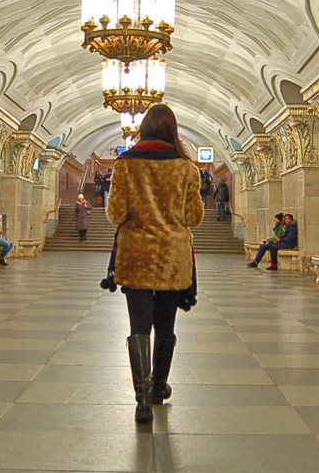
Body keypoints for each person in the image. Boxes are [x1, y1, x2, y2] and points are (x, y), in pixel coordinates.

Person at [106, 103, 202, 424]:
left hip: (136, 256)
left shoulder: (124, 165)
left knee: (139, 327)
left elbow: (115, 214)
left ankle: (142, 399)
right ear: (172, 131)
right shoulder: (188, 169)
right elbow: (194, 217)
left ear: (144, 128)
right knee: (165, 326)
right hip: (173, 257)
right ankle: (159, 386)